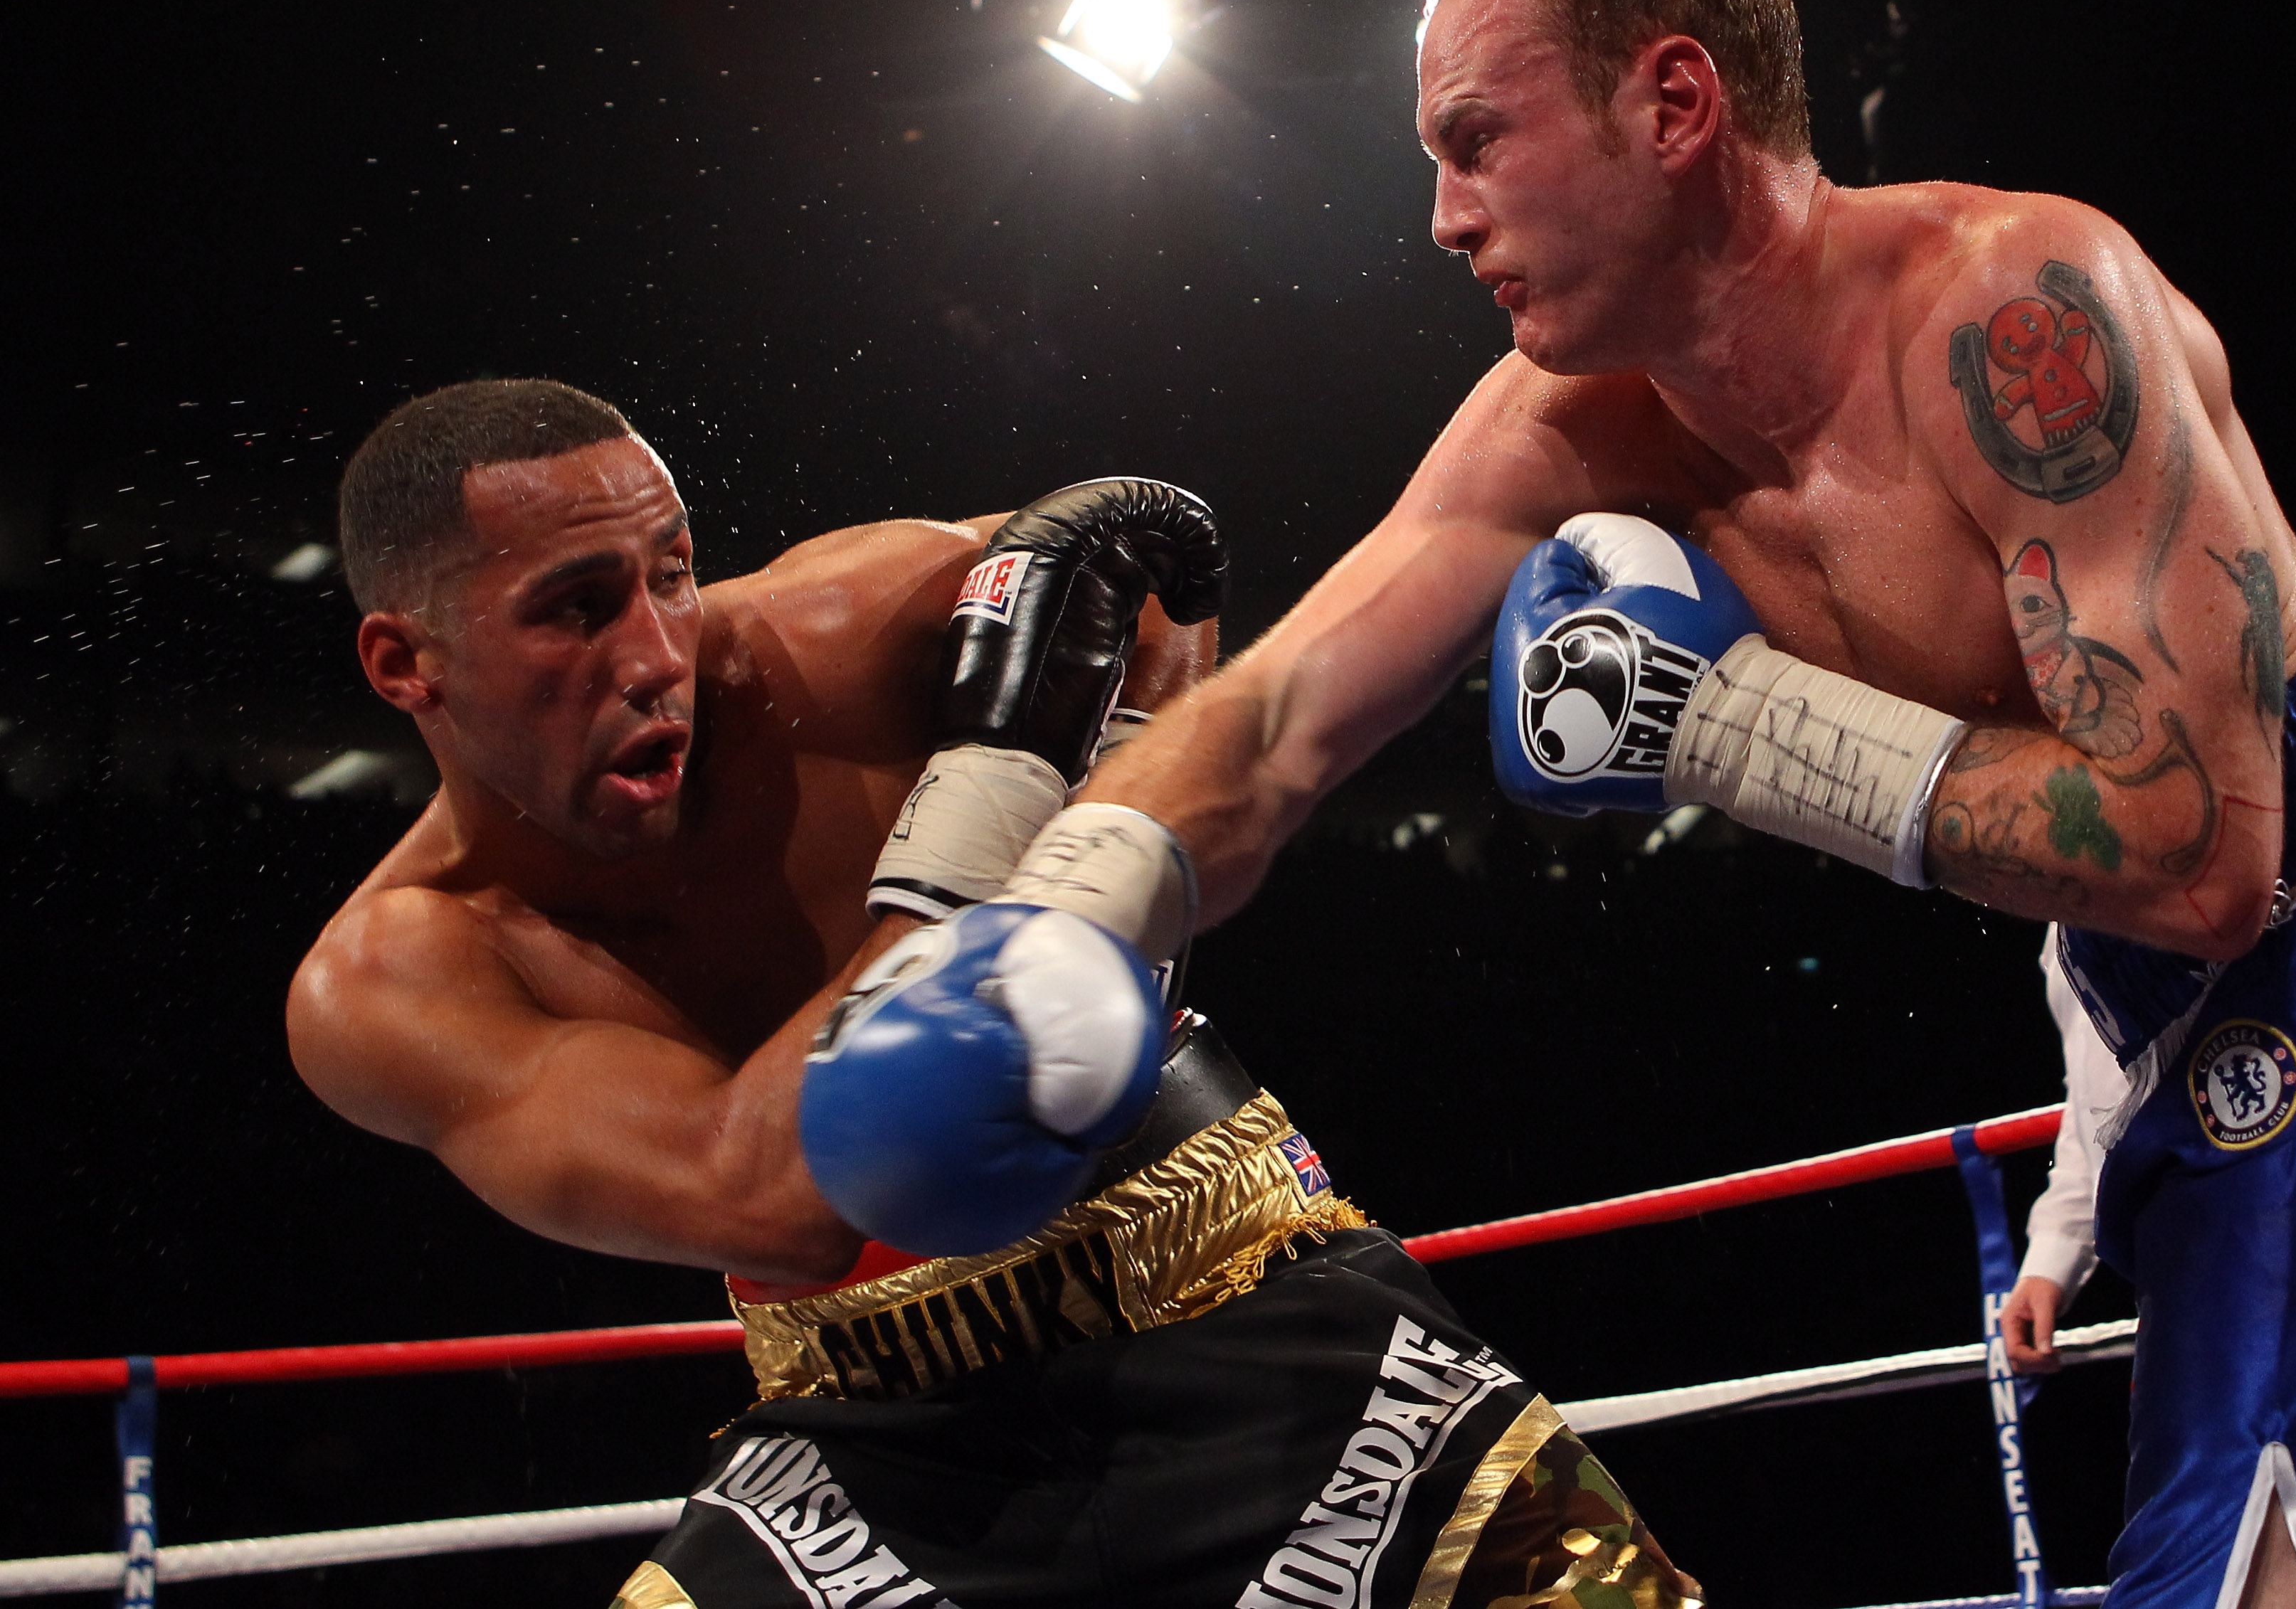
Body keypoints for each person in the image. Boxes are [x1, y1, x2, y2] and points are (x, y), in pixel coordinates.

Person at [933, 0, 2296, 1608]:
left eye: (1475, 139)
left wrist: (1722, 721)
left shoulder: (2013, 313)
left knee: (2281, 1564)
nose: (1440, 214)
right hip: (2196, 1015)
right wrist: (1050, 915)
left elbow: (2198, 846)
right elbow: (1278, 720)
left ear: (1672, 102)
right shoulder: (1562, 426)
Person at [288, 379, 1696, 1609]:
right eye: (575, 609)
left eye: (669, 572)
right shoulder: (399, 976)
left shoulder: (830, 636)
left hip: (1218, 1275)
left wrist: (1107, 903)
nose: (656, 651)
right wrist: (990, 794)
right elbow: (765, 1195)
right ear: (406, 661)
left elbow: (1149, 567)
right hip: (881, 1428)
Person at [1997, 931, 2127, 1381]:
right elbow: (2095, 1100)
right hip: (2165, 1274)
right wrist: (2055, 1253)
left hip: (2279, 1241)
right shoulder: (2062, 929)